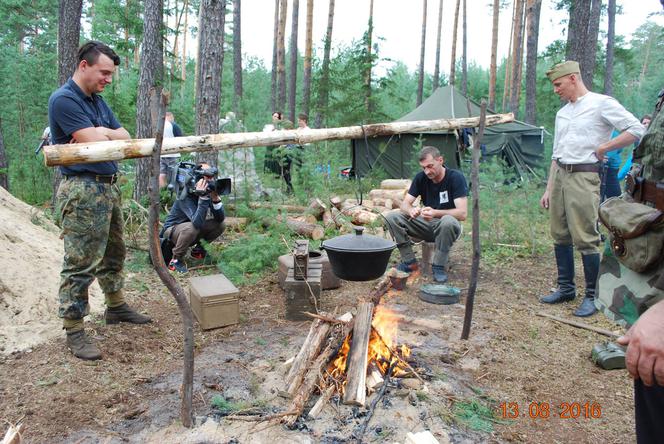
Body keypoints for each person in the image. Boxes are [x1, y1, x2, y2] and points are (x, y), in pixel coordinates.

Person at [48, 41, 151, 361]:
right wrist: (102, 132)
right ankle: (74, 328)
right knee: (80, 263)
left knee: (114, 253)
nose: (108, 78)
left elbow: (124, 137)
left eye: (110, 74)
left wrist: (102, 130)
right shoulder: (64, 99)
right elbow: (92, 142)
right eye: (104, 72)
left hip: (106, 187)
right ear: (83, 66)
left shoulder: (96, 101)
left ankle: (116, 307)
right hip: (82, 190)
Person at [539, 61, 645, 317]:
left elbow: (636, 129)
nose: (556, 90)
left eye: (558, 84)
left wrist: (604, 148)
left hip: (584, 176)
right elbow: (557, 154)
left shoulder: (601, 103)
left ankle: (592, 296)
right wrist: (548, 188)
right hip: (561, 175)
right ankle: (566, 288)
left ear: (574, 78)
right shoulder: (562, 112)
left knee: (585, 234)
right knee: (559, 232)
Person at [384, 146, 468, 284]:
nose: (427, 171)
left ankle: (439, 266)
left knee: (447, 221)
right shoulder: (421, 178)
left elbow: (462, 213)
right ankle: (409, 261)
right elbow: (405, 204)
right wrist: (411, 210)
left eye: (430, 166)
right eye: (424, 168)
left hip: (448, 226)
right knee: (391, 217)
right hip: (425, 224)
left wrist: (435, 212)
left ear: (440, 160)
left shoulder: (455, 178)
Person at [160, 163, 226, 273]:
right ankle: (175, 260)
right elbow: (196, 224)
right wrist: (203, 198)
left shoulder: (207, 191)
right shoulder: (184, 196)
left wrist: (215, 197)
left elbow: (219, 218)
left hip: (190, 230)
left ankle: (198, 250)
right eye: (207, 177)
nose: (210, 180)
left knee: (221, 224)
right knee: (192, 227)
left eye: (211, 177)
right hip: (172, 232)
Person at [158, 112, 178, 188]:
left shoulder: (159, 125)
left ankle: (163, 191)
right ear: (169, 116)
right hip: (173, 153)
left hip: (162, 153)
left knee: (162, 173)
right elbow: (180, 137)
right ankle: (173, 191)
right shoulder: (173, 125)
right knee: (174, 174)